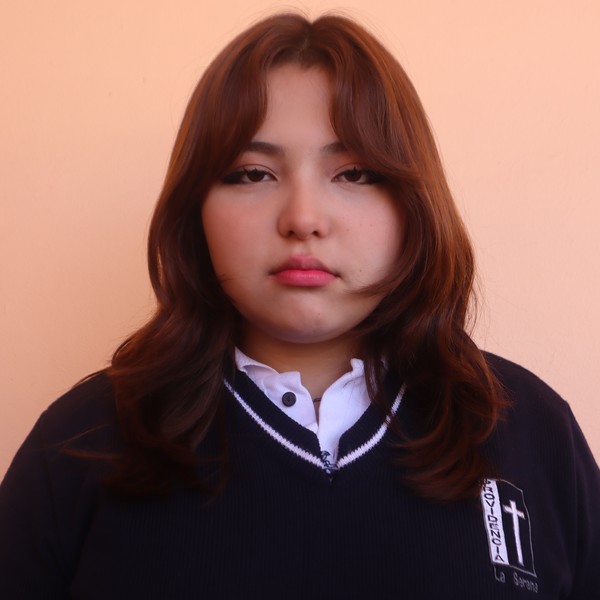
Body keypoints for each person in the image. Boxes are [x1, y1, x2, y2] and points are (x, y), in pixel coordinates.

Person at [0, 12, 598, 599]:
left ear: (413, 204)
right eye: (252, 174)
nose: (303, 218)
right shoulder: (78, 443)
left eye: (355, 173)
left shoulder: (532, 431)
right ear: (193, 210)